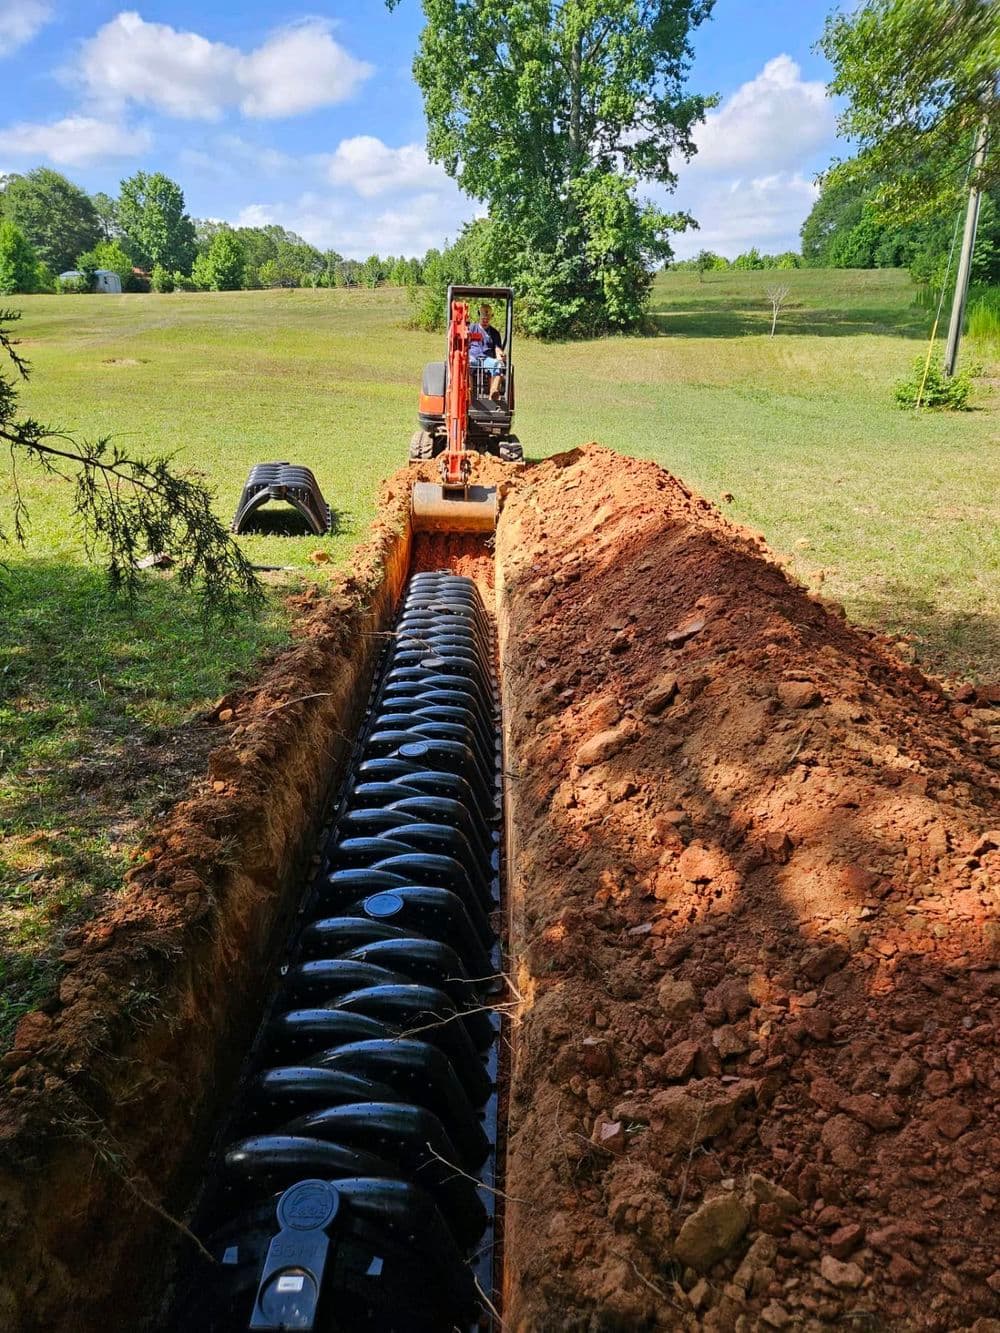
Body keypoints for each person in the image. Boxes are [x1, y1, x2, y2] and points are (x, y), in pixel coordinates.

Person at [469, 302, 506, 401]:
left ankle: (493, 392)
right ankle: (469, 391)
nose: (485, 321)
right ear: (479, 315)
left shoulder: (495, 333)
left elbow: (497, 349)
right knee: (467, 364)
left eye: (487, 319)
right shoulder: (471, 328)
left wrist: (500, 356)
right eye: (483, 318)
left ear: (491, 317)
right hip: (472, 357)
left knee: (497, 365)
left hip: (486, 359)